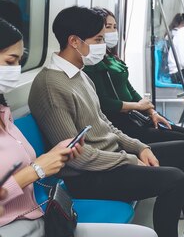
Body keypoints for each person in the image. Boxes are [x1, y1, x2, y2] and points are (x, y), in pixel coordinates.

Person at [27, 7, 184, 237]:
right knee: (174, 180)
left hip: (110, 158)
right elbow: (77, 157)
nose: (103, 46)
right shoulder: (51, 86)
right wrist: (130, 159)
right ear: (74, 41)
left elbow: (104, 123)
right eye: (97, 39)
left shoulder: (80, 74)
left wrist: (139, 147)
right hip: (87, 175)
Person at [0, 17, 157, 237]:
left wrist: (54, 154)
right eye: (9, 62)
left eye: (19, 62)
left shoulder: (5, 116)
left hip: (38, 216)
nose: (15, 70)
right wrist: (36, 170)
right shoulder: (51, 84)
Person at [84, 7, 184, 203]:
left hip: (136, 116)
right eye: (106, 28)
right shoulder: (94, 65)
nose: (111, 33)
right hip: (124, 123)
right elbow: (104, 104)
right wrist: (137, 107)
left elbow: (130, 89)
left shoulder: (112, 58)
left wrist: (150, 110)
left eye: (114, 27)